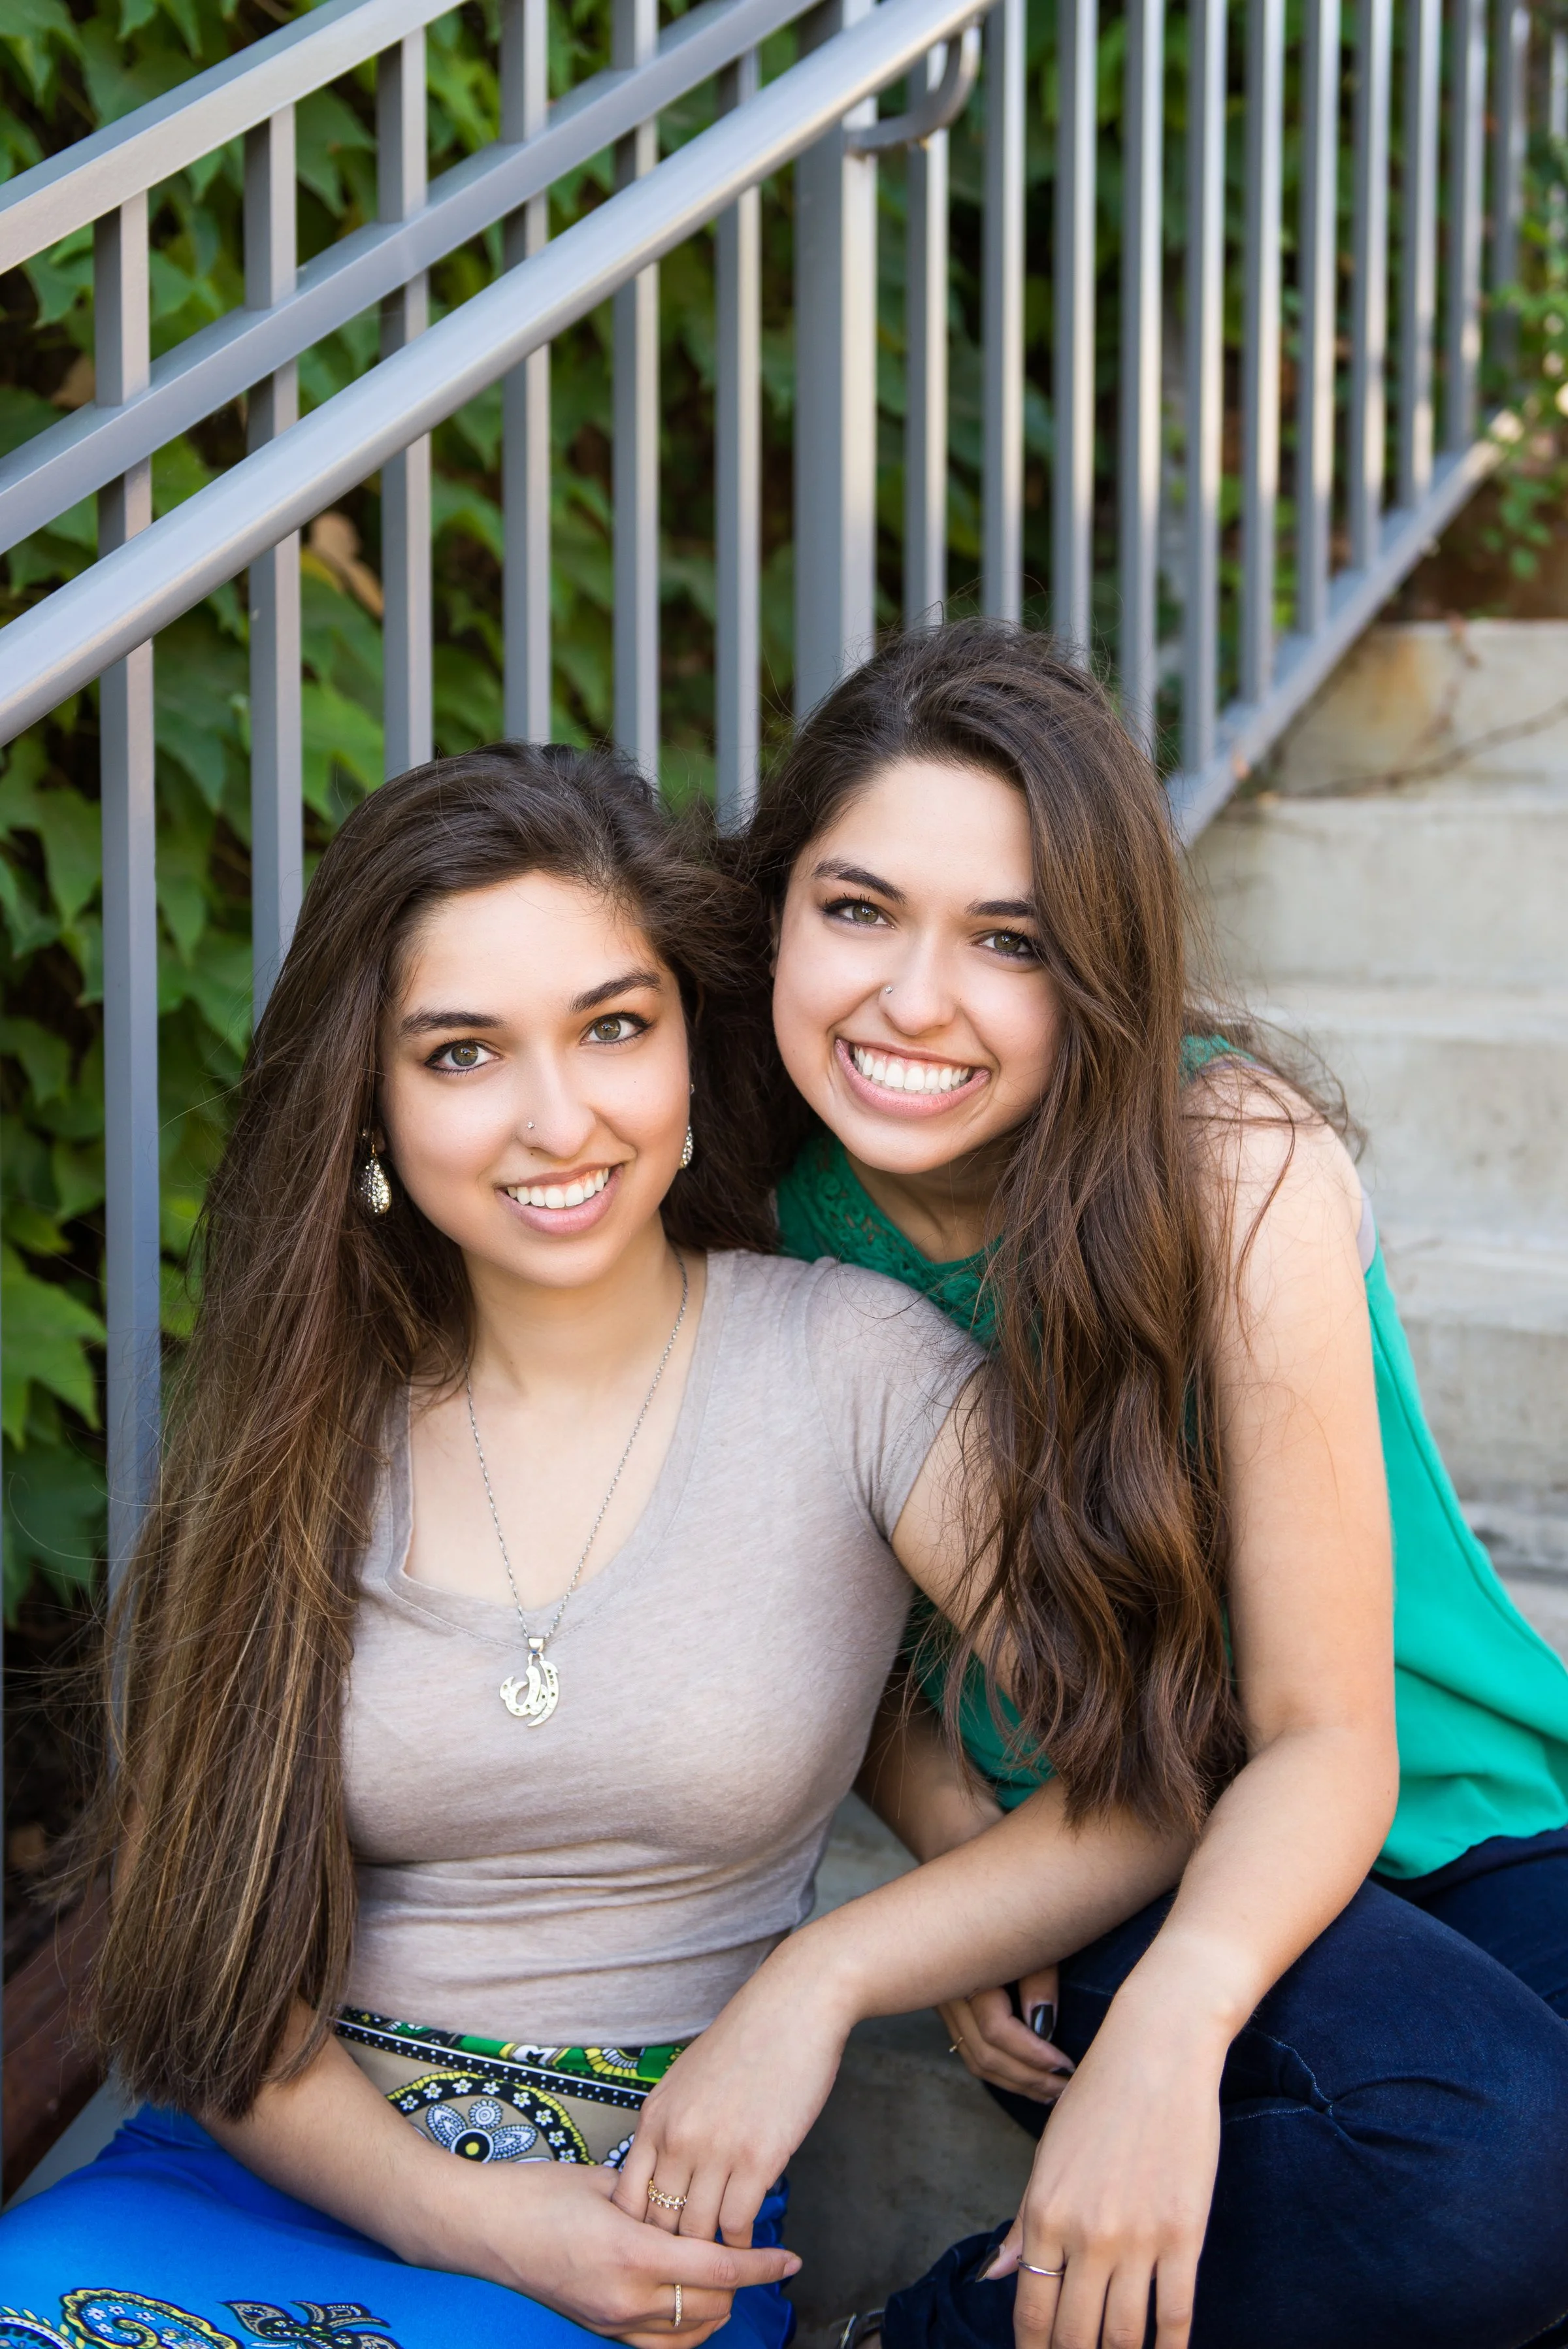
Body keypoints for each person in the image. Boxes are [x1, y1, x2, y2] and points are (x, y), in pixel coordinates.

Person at [0, 741, 1191, 2349]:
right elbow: (212, 1980)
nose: (556, 1119)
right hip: (275, 2178)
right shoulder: (296, 1433)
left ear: (693, 1046)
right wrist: (466, 2217)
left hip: (654, 2214)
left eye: (613, 1027)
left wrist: (825, 1973)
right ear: (370, 1097)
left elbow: (1159, 1774)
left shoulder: (853, 1368)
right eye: (463, 1052)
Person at [620, 624, 1568, 2349]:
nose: (915, 998)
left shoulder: (1230, 1166)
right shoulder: (744, 1208)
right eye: (859, 909)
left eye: (1010, 941)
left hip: (1450, 1809)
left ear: (1099, 966)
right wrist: (951, 1859)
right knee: (1487, 2176)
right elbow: (859, 1631)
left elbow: (1325, 1729)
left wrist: (1181, 2024)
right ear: (777, 911)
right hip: (1106, 1837)